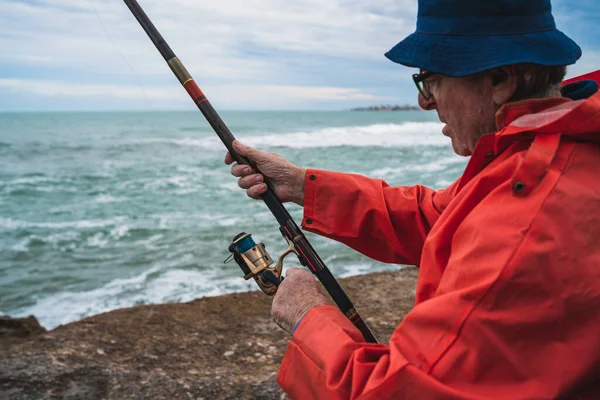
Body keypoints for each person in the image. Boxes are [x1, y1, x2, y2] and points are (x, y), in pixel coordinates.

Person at [225, 0, 600, 398]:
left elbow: (398, 391)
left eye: (431, 78)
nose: (425, 100)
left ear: (499, 80)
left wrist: (308, 315)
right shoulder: (554, 151)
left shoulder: (527, 220)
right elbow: (438, 217)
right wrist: (302, 185)